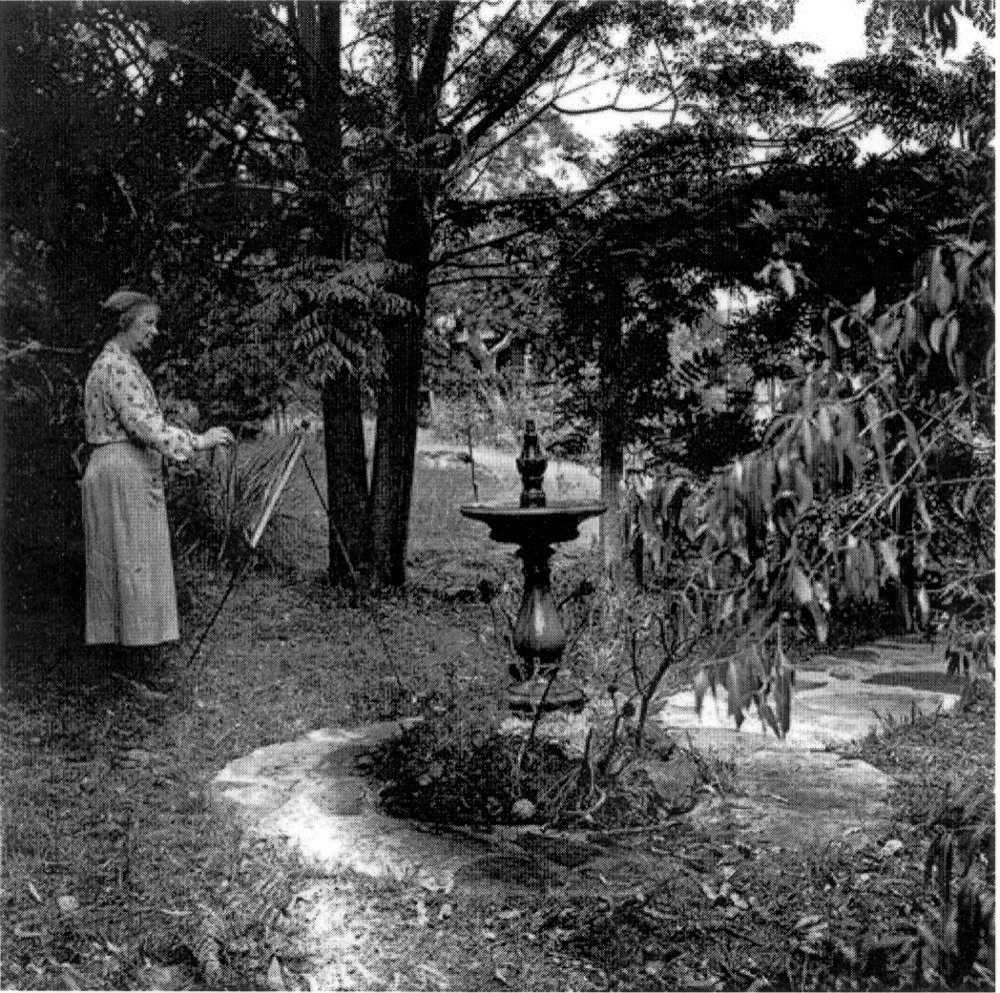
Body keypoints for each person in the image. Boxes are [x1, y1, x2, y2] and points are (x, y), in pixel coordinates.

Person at [82, 290, 234, 689]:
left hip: (115, 469)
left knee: (125, 564)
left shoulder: (116, 363)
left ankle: (127, 666)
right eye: (147, 323)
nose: (154, 331)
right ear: (124, 324)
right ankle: (134, 670)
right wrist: (199, 441)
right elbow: (145, 427)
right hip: (122, 470)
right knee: (133, 565)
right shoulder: (116, 366)